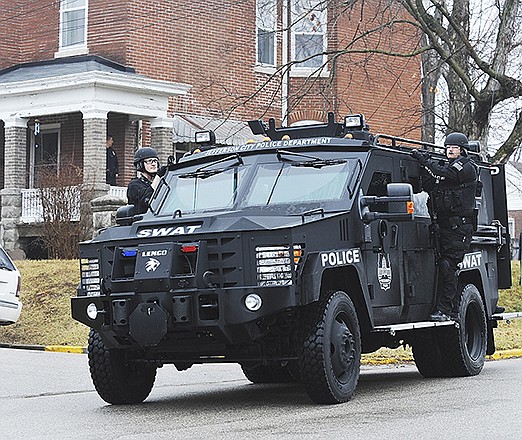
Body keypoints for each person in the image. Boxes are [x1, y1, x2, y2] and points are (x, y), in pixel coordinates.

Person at [412, 132, 478, 321]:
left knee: (448, 266)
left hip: (459, 229)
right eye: (447, 147)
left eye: (454, 147)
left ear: (463, 149)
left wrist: (425, 160)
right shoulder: (446, 166)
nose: (449, 149)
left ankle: (445, 310)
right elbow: (432, 183)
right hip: (444, 228)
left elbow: (445, 173)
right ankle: (445, 308)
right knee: (440, 267)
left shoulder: (466, 166)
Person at [127, 147, 160, 214]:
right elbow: (146, 202)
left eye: (155, 161)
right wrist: (158, 177)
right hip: (143, 219)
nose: (153, 164)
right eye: (149, 161)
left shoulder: (160, 183)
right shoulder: (134, 185)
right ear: (140, 164)